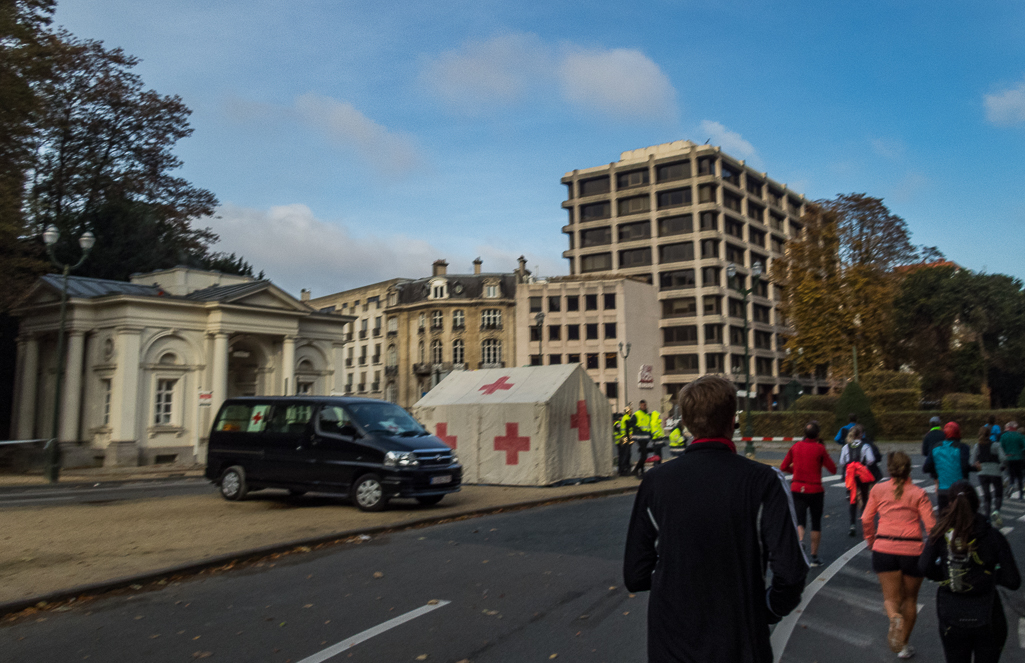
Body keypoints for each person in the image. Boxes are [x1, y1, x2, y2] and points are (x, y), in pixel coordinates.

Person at [624, 375, 807, 663]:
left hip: (670, 643)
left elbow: (635, 575)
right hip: (739, 643)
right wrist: (766, 610)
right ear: (732, 420)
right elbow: (791, 571)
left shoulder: (655, 482)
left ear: (685, 422)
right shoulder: (765, 482)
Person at [920, 481, 1021, 663]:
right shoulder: (992, 536)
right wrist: (987, 576)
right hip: (987, 614)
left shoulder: (941, 534)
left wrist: (948, 574)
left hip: (951, 613)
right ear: (977, 503)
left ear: (950, 504)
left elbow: (924, 566)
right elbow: (1013, 580)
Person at [862, 451, 936, 659]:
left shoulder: (878, 489)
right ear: (909, 468)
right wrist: (933, 551)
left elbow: (866, 518)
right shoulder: (918, 493)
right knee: (910, 598)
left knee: (891, 598)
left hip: (884, 547)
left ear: (889, 468)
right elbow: (931, 527)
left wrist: (871, 540)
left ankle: (894, 616)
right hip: (913, 550)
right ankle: (903, 646)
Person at [780, 421, 836, 566]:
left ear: (804, 433)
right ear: (818, 434)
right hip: (815, 489)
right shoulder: (819, 449)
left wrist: (797, 472)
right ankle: (814, 557)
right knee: (816, 523)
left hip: (798, 488)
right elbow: (833, 469)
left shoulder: (795, 447)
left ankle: (800, 542)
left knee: (800, 520)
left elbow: (784, 466)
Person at [923, 422, 972, 512]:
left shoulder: (936, 447)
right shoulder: (963, 448)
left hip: (943, 489)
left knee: (944, 519)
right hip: (959, 489)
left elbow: (926, 467)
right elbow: (965, 467)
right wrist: (974, 468)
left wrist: (939, 471)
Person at [839, 424, 876, 536]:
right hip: (862, 474)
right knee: (864, 498)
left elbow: (842, 461)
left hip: (851, 475)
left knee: (852, 500)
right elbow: (870, 460)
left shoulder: (846, 447)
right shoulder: (865, 447)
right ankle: (865, 523)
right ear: (861, 435)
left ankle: (852, 525)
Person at [972, 423, 1007, 525]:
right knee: (998, 492)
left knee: (986, 495)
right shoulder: (996, 445)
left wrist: (978, 465)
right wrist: (1002, 465)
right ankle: (996, 510)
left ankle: (987, 515)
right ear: (990, 434)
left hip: (982, 472)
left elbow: (972, 461)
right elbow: (1003, 458)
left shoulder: (977, 446)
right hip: (995, 471)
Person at [627, 399, 663, 478]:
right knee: (644, 456)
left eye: (645, 405)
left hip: (645, 438)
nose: (644, 406)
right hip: (639, 438)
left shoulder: (647, 415)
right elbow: (631, 423)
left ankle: (640, 471)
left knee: (643, 455)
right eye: (643, 405)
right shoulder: (637, 414)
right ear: (640, 406)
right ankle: (636, 470)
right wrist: (637, 429)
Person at [999, 421, 1025, 500]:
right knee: (1020, 476)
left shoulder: (1004, 436)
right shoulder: (1020, 436)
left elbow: (1001, 447)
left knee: (1011, 475)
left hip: (1008, 458)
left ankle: (1011, 485)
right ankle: (1020, 494)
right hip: (1019, 457)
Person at [615, 408, 633, 477]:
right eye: (630, 411)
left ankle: (622, 470)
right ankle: (624, 470)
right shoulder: (627, 418)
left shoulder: (624, 418)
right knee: (626, 454)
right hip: (626, 438)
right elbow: (628, 430)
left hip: (622, 438)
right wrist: (630, 440)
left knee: (623, 454)